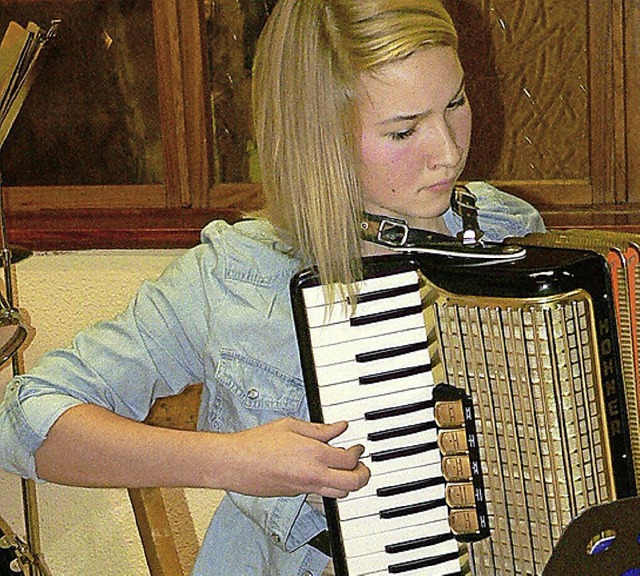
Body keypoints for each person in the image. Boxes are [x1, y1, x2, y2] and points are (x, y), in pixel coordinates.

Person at [0, 0, 545, 574]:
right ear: (319, 137)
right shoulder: (234, 275)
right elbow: (26, 420)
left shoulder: (512, 234)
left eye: (455, 102)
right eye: (404, 130)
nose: (449, 151)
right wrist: (230, 461)